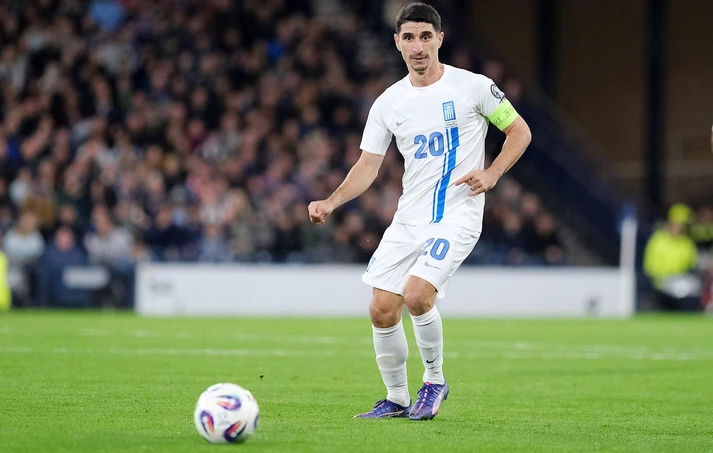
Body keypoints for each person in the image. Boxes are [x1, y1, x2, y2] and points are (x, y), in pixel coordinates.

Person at [308, 3, 531, 420]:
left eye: (425, 36)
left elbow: (519, 131)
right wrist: (331, 201)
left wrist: (493, 172)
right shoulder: (388, 103)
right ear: (397, 42)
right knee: (381, 308)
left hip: (457, 215)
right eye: (409, 38)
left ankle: (434, 381)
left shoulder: (474, 87)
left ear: (439, 39)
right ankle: (396, 398)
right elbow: (368, 166)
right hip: (408, 220)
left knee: (416, 295)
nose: (418, 46)